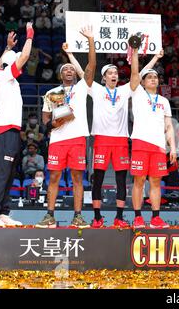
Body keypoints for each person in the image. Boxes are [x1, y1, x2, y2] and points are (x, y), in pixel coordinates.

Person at [63, 44, 155, 228]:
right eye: (110, 73)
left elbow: (137, 75)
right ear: (104, 77)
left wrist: (153, 59)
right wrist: (70, 54)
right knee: (98, 179)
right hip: (102, 140)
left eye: (116, 73)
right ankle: (97, 217)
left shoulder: (124, 91)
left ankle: (119, 217)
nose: (114, 75)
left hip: (121, 140)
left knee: (122, 181)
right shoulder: (96, 89)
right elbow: (83, 73)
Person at [35, 26, 96, 229]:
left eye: (71, 68)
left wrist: (90, 41)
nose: (69, 70)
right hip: (58, 140)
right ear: (61, 75)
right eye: (65, 69)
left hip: (78, 138)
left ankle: (78, 216)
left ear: (75, 74)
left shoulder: (81, 87)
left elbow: (91, 66)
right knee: (54, 177)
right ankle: (49, 215)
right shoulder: (52, 93)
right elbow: (45, 117)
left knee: (78, 178)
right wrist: (52, 123)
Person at [0, 24, 34, 227]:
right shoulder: (3, 76)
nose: (19, 64)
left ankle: (3, 211)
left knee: (10, 173)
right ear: (9, 65)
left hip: (12, 130)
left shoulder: (5, 77)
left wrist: (7, 48)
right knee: (2, 173)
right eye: (14, 62)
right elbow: (23, 57)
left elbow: (0, 63)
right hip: (4, 130)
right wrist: (30, 36)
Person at [129, 66, 177, 229]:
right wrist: (150, 56)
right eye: (149, 77)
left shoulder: (164, 101)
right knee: (139, 180)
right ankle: (138, 217)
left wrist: (173, 147)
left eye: (155, 77)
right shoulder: (137, 94)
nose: (153, 79)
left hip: (158, 145)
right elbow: (135, 72)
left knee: (156, 182)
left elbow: (169, 126)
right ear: (142, 82)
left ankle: (156, 218)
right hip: (141, 142)